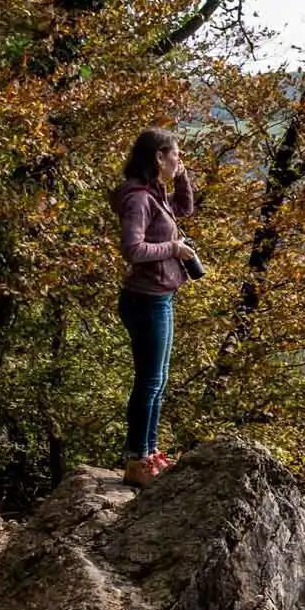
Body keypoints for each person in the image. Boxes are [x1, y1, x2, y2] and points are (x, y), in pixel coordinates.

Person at [109, 127, 195, 486]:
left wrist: (183, 175)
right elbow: (133, 248)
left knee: (158, 381)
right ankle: (136, 459)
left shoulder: (155, 194)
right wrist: (173, 250)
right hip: (145, 300)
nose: (178, 159)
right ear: (158, 157)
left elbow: (184, 209)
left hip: (161, 295)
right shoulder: (139, 199)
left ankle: (149, 452)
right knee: (149, 381)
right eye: (175, 154)